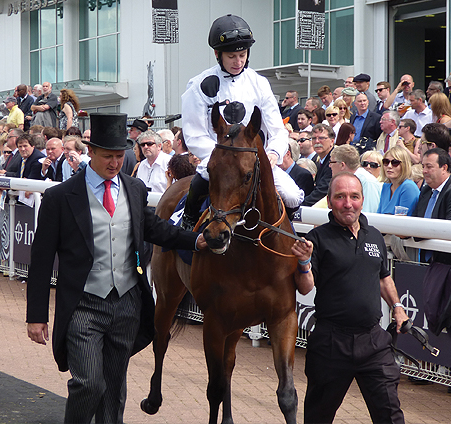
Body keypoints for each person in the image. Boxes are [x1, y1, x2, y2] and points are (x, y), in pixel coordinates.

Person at [26, 113, 207, 424]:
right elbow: (41, 260)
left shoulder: (135, 189)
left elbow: (157, 230)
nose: (114, 162)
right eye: (107, 155)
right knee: (88, 383)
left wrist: (196, 240)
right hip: (83, 304)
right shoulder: (59, 197)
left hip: (126, 304)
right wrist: (36, 316)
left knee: (113, 389)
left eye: (119, 155)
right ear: (90, 152)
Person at [291, 172, 408, 424]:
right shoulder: (317, 239)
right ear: (330, 201)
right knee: (318, 417)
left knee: (390, 415)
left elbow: (383, 276)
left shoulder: (374, 235)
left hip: (373, 342)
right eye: (340, 197)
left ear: (362, 200)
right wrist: (303, 262)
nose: (348, 203)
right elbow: (305, 287)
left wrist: (397, 307)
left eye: (354, 197)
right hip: (332, 343)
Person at [180, 14, 302, 229]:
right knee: (200, 183)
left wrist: (273, 153)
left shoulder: (259, 83)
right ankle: (187, 225)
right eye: (231, 56)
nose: (238, 62)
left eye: (242, 55)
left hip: (254, 161)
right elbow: (194, 134)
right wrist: (221, 158)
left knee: (292, 196)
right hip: (219, 162)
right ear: (218, 54)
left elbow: (277, 130)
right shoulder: (198, 85)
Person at [377, 146, 420, 216]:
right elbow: (378, 214)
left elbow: (402, 222)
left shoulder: (408, 187)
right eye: (386, 162)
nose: (389, 166)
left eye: (395, 162)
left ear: (404, 165)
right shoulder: (386, 186)